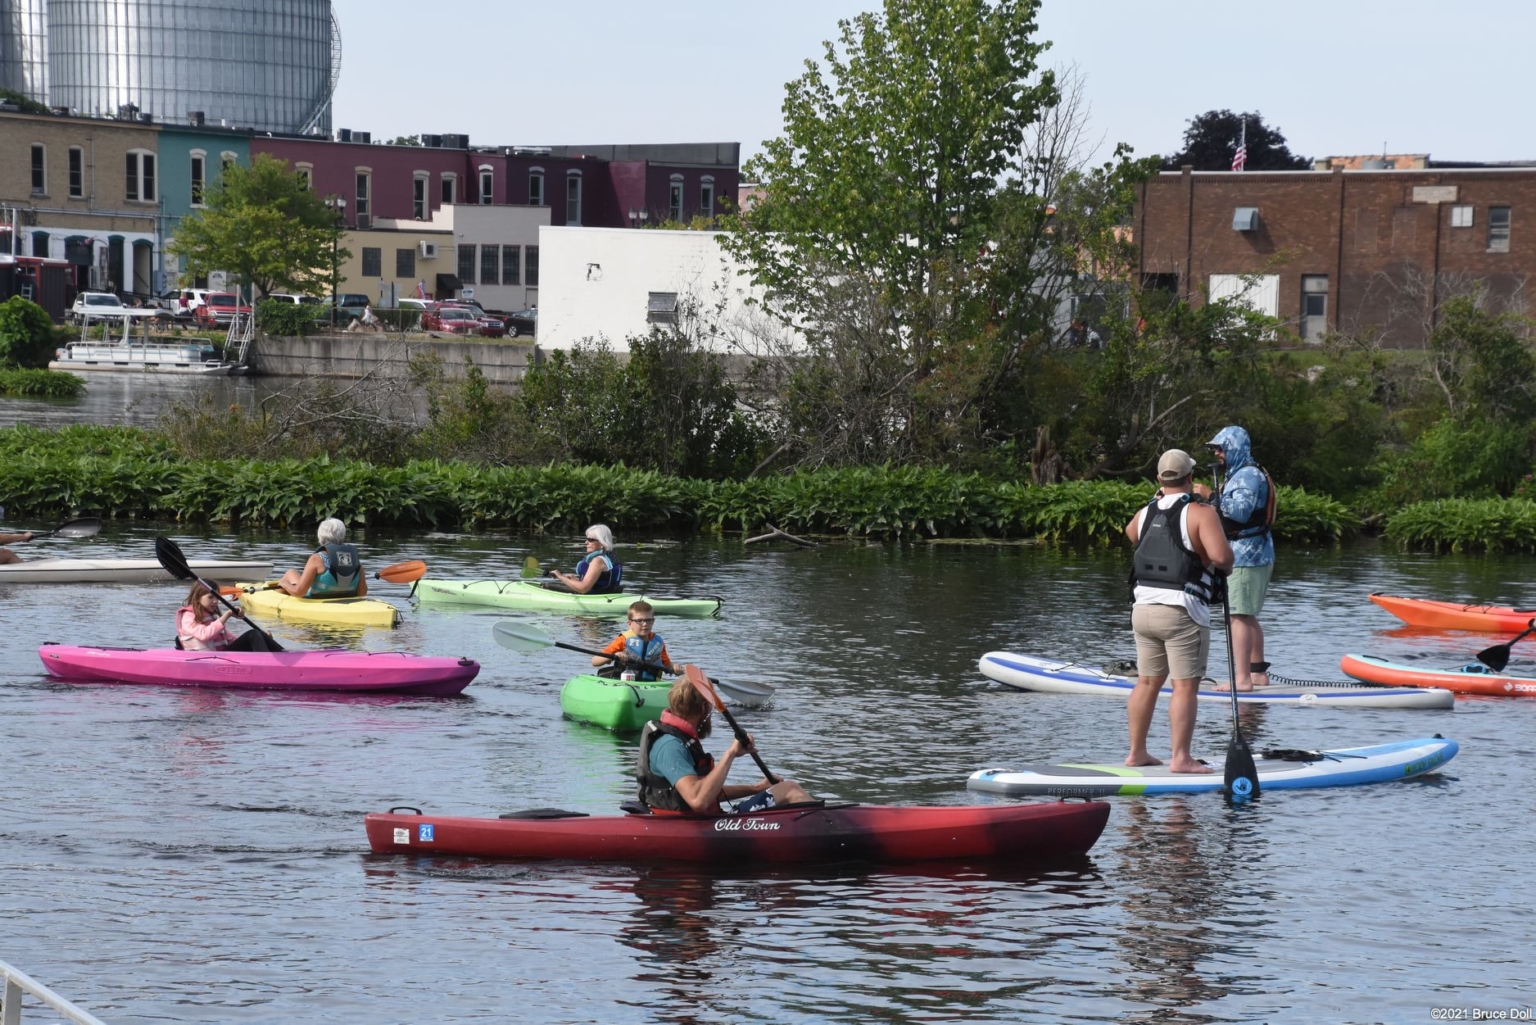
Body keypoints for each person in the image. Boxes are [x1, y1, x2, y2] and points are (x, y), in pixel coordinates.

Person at [1123, 449, 1235, 774]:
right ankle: (1181, 759)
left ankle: (1136, 753)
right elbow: (1223, 558)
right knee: (1184, 687)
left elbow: (1132, 535)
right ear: (1190, 478)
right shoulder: (1202, 512)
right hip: (1181, 612)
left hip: (1142, 609)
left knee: (1146, 683)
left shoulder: (1145, 511)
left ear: (1159, 480)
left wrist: (1155, 500)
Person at [635, 677, 815, 814]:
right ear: (704, 709)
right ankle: (830, 829)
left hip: (703, 821)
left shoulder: (679, 738)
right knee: (790, 790)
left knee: (782, 792)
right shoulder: (670, 745)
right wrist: (730, 754)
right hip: (695, 826)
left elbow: (708, 791)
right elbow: (698, 800)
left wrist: (757, 788)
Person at [1195, 426, 1276, 691]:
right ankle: (1257, 674)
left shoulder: (1248, 475)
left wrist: (1211, 496)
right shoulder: (1242, 473)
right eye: (1216, 449)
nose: (1217, 453)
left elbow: (1240, 512)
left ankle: (1241, 681)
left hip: (1247, 554)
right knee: (1247, 615)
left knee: (1238, 616)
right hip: (1251, 553)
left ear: (1235, 448)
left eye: (1221, 448)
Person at [175, 580, 274, 652]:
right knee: (253, 634)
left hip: (221, 655)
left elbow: (230, 640)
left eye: (217, 597)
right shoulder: (187, 616)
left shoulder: (211, 615)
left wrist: (262, 638)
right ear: (197, 598)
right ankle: (267, 664)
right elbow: (204, 635)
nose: (215, 601)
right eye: (210, 597)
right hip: (205, 659)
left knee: (256, 635)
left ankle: (281, 655)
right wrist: (228, 614)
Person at [279, 518, 367, 598]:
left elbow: (299, 593)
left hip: (317, 601)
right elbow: (362, 592)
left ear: (321, 535)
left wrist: (284, 584)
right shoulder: (355, 560)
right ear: (343, 534)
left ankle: (275, 601)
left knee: (290, 573)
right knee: (292, 574)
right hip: (345, 600)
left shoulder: (316, 559)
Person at [592, 600, 677, 680]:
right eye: (639, 620)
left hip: (652, 684)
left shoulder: (658, 642)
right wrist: (615, 655)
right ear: (629, 623)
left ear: (653, 621)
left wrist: (674, 668)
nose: (645, 624)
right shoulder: (623, 639)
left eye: (648, 620)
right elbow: (595, 661)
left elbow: (667, 664)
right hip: (625, 683)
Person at [550, 524, 622, 595]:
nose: (586, 543)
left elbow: (583, 589)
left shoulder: (598, 561)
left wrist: (560, 576)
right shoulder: (608, 558)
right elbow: (600, 584)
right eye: (586, 539)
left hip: (596, 597)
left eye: (590, 540)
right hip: (607, 595)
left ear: (602, 543)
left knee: (546, 587)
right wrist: (577, 581)